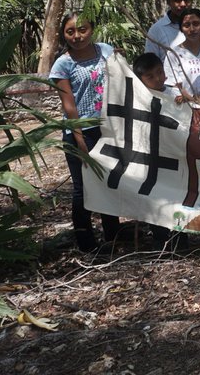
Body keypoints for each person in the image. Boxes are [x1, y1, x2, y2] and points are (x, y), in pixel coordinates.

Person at [50, 13, 119, 252]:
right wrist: (79, 140)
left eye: (82, 29)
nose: (77, 36)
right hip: (80, 132)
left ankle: (113, 236)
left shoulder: (106, 51)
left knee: (109, 182)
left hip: (109, 128)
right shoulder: (63, 64)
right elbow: (69, 105)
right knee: (83, 187)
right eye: (70, 32)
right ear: (63, 34)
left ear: (92, 29)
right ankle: (86, 242)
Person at [165, 8, 200, 99]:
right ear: (181, 29)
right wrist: (192, 99)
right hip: (188, 107)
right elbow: (172, 85)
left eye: (196, 24)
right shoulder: (173, 54)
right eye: (186, 25)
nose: (192, 29)